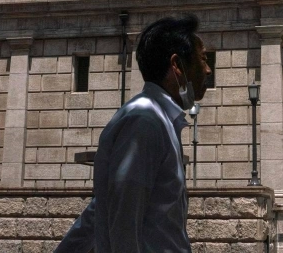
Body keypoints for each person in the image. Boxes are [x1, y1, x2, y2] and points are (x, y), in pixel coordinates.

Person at [56, 15, 212, 253]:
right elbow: (123, 224)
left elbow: (102, 211)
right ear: (177, 65)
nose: (208, 69)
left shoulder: (158, 121)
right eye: (203, 59)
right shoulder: (145, 122)